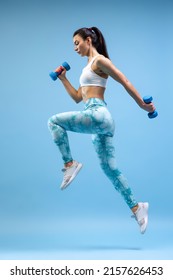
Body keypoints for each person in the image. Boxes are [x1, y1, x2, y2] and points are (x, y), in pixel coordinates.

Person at [48, 27, 155, 234]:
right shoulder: (87, 68)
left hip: (98, 114)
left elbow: (124, 81)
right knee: (109, 169)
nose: (75, 47)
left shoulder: (100, 61)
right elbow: (79, 97)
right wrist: (63, 79)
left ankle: (70, 164)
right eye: (73, 44)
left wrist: (142, 105)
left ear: (89, 40)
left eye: (77, 42)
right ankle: (137, 208)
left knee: (54, 121)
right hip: (98, 119)